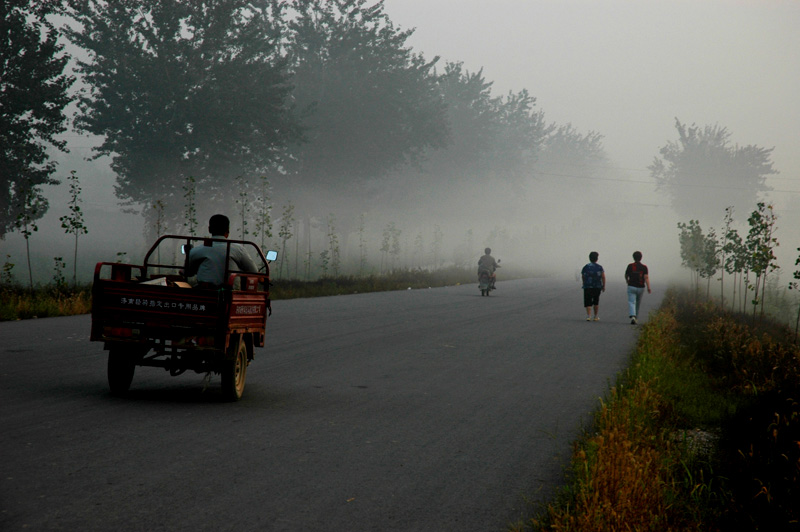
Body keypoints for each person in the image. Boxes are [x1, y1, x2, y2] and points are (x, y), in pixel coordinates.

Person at [185, 214, 257, 288]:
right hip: (230, 293)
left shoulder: (196, 250)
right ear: (228, 230)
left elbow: (188, 272)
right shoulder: (238, 249)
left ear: (209, 229)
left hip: (203, 291)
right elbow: (253, 271)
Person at [625, 250, 651, 324]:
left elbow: (626, 275)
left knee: (631, 301)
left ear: (633, 257)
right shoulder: (644, 267)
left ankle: (633, 316)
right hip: (641, 287)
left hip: (631, 286)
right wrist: (648, 287)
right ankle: (636, 317)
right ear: (641, 258)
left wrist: (627, 280)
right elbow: (646, 277)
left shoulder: (630, 266)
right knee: (638, 302)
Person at [581, 251, 605, 321]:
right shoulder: (600, 267)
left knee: (588, 301)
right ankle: (595, 316)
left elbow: (583, 276)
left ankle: (588, 316)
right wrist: (603, 286)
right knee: (596, 301)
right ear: (597, 259)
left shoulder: (586, 267)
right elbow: (603, 277)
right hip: (597, 287)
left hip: (587, 286)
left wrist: (584, 283)